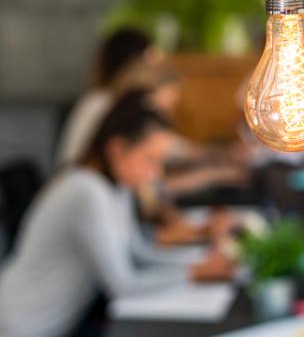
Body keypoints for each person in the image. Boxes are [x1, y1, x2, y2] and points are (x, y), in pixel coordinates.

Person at [0, 93, 234, 337]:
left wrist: (202, 264)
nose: (155, 173)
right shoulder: (85, 191)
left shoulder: (117, 186)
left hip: (62, 323)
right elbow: (123, 284)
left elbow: (138, 253)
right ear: (117, 149)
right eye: (150, 160)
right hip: (24, 326)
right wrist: (196, 272)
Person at [56, 27, 158, 166]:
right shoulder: (104, 103)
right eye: (151, 61)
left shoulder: (100, 100)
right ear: (135, 65)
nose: (155, 72)